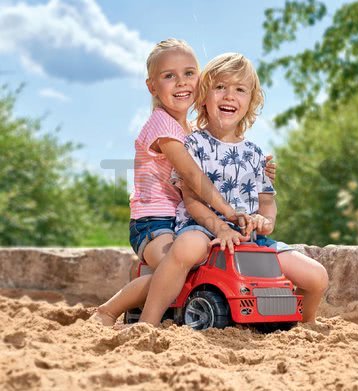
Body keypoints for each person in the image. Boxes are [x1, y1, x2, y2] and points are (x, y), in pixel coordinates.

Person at [90, 39, 275, 326]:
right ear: (152, 87)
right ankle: (110, 311)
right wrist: (228, 214)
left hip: (179, 217)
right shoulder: (162, 126)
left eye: (189, 73)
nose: (181, 82)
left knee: (188, 265)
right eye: (169, 76)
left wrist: (254, 170)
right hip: (153, 222)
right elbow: (193, 177)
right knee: (173, 267)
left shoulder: (189, 130)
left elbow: (217, 166)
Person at [138, 52, 328, 326]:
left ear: (251, 101)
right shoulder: (193, 144)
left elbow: (267, 201)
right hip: (202, 228)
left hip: (249, 238)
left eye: (240, 89)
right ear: (203, 95)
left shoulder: (254, 153)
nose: (229, 96)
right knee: (187, 249)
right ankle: (148, 322)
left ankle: (303, 325)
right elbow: (191, 201)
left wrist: (266, 222)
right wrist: (220, 227)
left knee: (317, 276)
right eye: (220, 87)